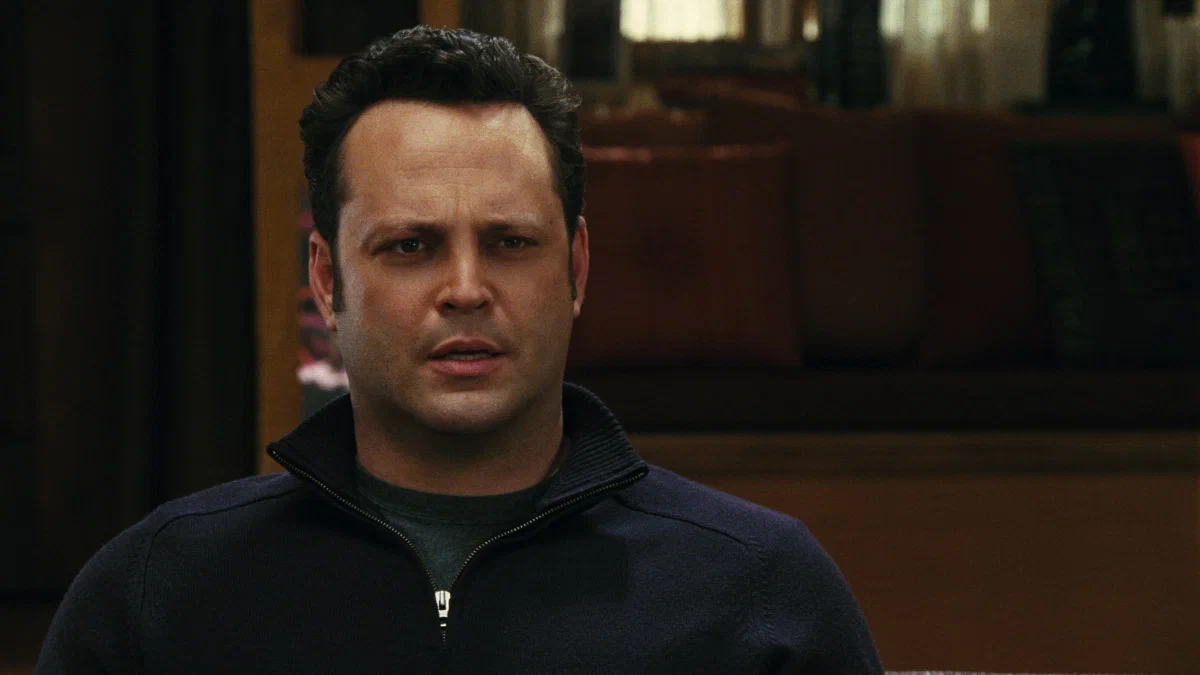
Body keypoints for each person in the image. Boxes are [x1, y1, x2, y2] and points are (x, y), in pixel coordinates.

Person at [36, 26, 884, 673]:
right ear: (327, 280)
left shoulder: (761, 591)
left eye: (510, 243)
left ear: (577, 267)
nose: (467, 288)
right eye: (411, 246)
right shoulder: (156, 592)